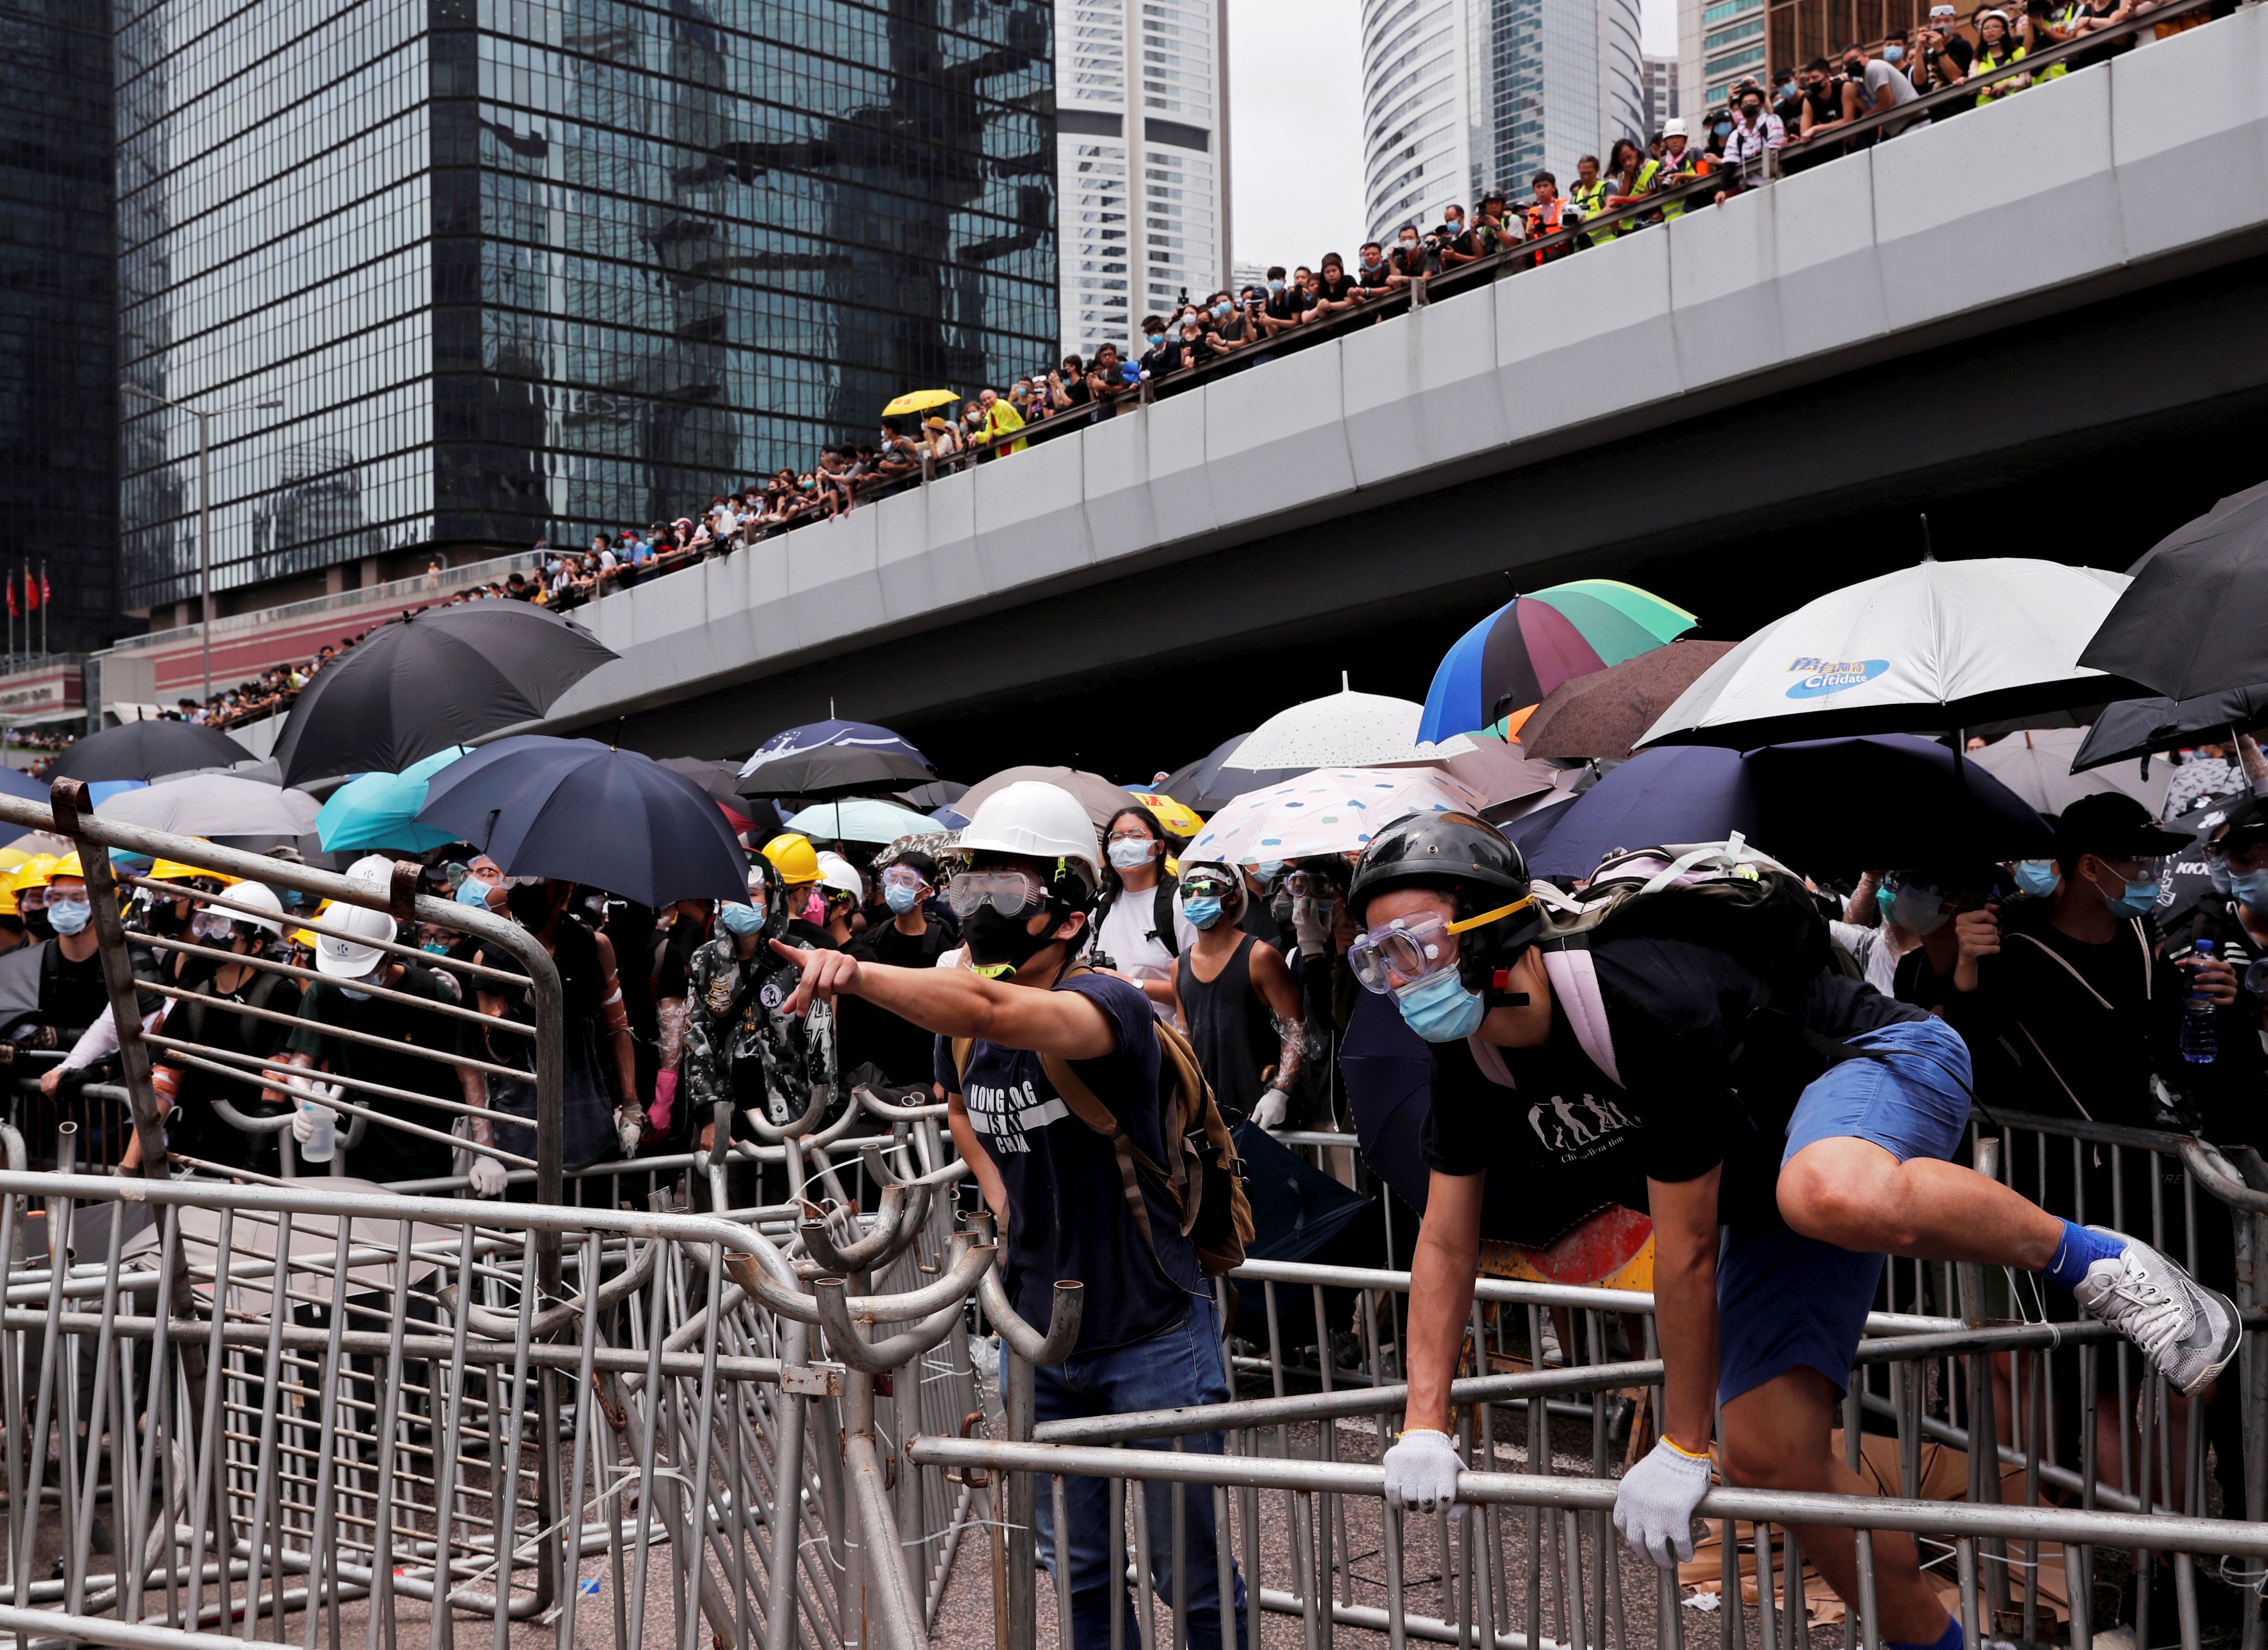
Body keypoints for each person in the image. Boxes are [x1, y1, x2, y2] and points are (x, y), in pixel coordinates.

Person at [1357, 812, 2241, 1650]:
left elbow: (1687, 1250)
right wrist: (1423, 1424)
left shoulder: (1635, 997)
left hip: (1881, 1060)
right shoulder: (1467, 1055)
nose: (1399, 979)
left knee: (1825, 1192)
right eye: (1375, 957)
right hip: (1772, 1188)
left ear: (1492, 929)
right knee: (1771, 1452)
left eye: (1414, 945)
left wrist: (1680, 1442)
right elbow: (1444, 1240)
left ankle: (2103, 1261)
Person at [765, 780, 1245, 1650]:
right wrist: (999, 1194)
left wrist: (857, 972)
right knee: (1081, 1570)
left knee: (1189, 1572)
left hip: (1150, 1331)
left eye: (1008, 888)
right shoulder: (963, 1026)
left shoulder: (1107, 1006)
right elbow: (959, 1106)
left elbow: (997, 1009)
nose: (980, 906)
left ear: (1067, 915)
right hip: (1041, 1336)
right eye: (969, 885)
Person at [279, 901, 489, 1187]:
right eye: (344, 974)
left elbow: (470, 1074)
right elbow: (300, 1064)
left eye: (361, 972)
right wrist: (308, 1106)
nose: (352, 982)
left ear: (389, 954)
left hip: (423, 1148)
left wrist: (485, 1153)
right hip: (354, 1145)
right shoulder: (325, 990)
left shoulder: (430, 993)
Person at [1171, 861, 1305, 1129]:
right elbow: (1184, 1038)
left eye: (1207, 888)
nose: (1196, 897)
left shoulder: (1260, 956)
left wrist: (1280, 1091)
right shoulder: (1179, 966)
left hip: (1259, 1113)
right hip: (1208, 1114)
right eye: (1188, 890)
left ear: (1232, 896)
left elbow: (1296, 1029)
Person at [841, 850, 958, 1088]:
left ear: (926, 892)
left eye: (907, 881)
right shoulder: (873, 940)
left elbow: (953, 1016)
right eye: (892, 878)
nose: (896, 887)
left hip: (926, 1069)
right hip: (881, 1070)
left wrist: (942, 1081)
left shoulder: (941, 947)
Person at [1087, 803, 1195, 1021]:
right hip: (1109, 1032)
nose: (1126, 844)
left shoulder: (1180, 902)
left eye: (1137, 836)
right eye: (1117, 838)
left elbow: (1200, 988)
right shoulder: (1101, 906)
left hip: (1163, 1036)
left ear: (1159, 847)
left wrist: (1132, 984)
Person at [1969, 11, 2030, 103]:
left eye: (1995, 27)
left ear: (2004, 30)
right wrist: (1990, 91)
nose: (1990, 30)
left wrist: (2007, 84)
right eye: (1986, 28)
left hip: (2017, 101)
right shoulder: (1978, 58)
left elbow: (2026, 79)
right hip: (1987, 106)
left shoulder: (2018, 52)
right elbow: (1972, 87)